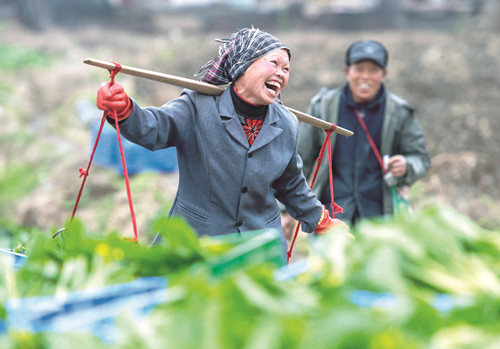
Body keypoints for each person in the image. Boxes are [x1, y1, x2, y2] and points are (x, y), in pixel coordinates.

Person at [95, 27, 348, 255]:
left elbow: (291, 184)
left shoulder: (286, 123)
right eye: (274, 63)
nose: (281, 74)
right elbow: (155, 127)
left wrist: (321, 220)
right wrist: (124, 108)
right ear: (243, 64)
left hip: (259, 250)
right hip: (198, 245)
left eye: (286, 69)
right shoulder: (197, 106)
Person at [282, 40, 430, 233]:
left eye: (373, 70)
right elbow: (301, 159)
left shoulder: (400, 112)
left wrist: (406, 165)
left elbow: (421, 159)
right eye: (359, 69)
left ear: (383, 74)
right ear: (347, 71)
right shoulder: (324, 107)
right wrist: (286, 209)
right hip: (330, 216)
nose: (365, 76)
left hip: (381, 219)